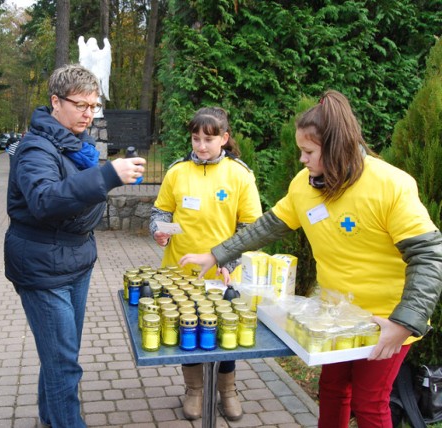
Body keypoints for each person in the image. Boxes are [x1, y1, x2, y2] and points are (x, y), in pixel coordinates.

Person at [180, 90, 442, 428]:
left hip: (385, 320)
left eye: (308, 151)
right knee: (332, 389)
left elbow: (428, 254)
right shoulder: (305, 185)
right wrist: (216, 255)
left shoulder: (390, 184)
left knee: (370, 402)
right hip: (334, 315)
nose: (302, 159)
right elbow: (269, 225)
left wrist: (404, 322)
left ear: (335, 148)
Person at [5, 63, 146, 428]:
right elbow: (45, 200)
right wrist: (106, 176)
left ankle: (51, 419)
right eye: (81, 105)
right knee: (64, 363)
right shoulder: (37, 149)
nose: (88, 113)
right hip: (43, 266)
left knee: (59, 358)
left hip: (73, 261)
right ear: (56, 101)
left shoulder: (73, 145)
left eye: (93, 106)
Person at [149, 107, 261, 421]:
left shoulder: (240, 174)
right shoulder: (176, 171)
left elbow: (250, 228)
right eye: (196, 138)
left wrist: (230, 258)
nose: (200, 145)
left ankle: (227, 391)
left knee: (223, 331)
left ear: (224, 138)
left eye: (209, 139)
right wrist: (158, 231)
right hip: (181, 273)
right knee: (188, 329)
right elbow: (161, 213)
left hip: (223, 275)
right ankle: (194, 390)